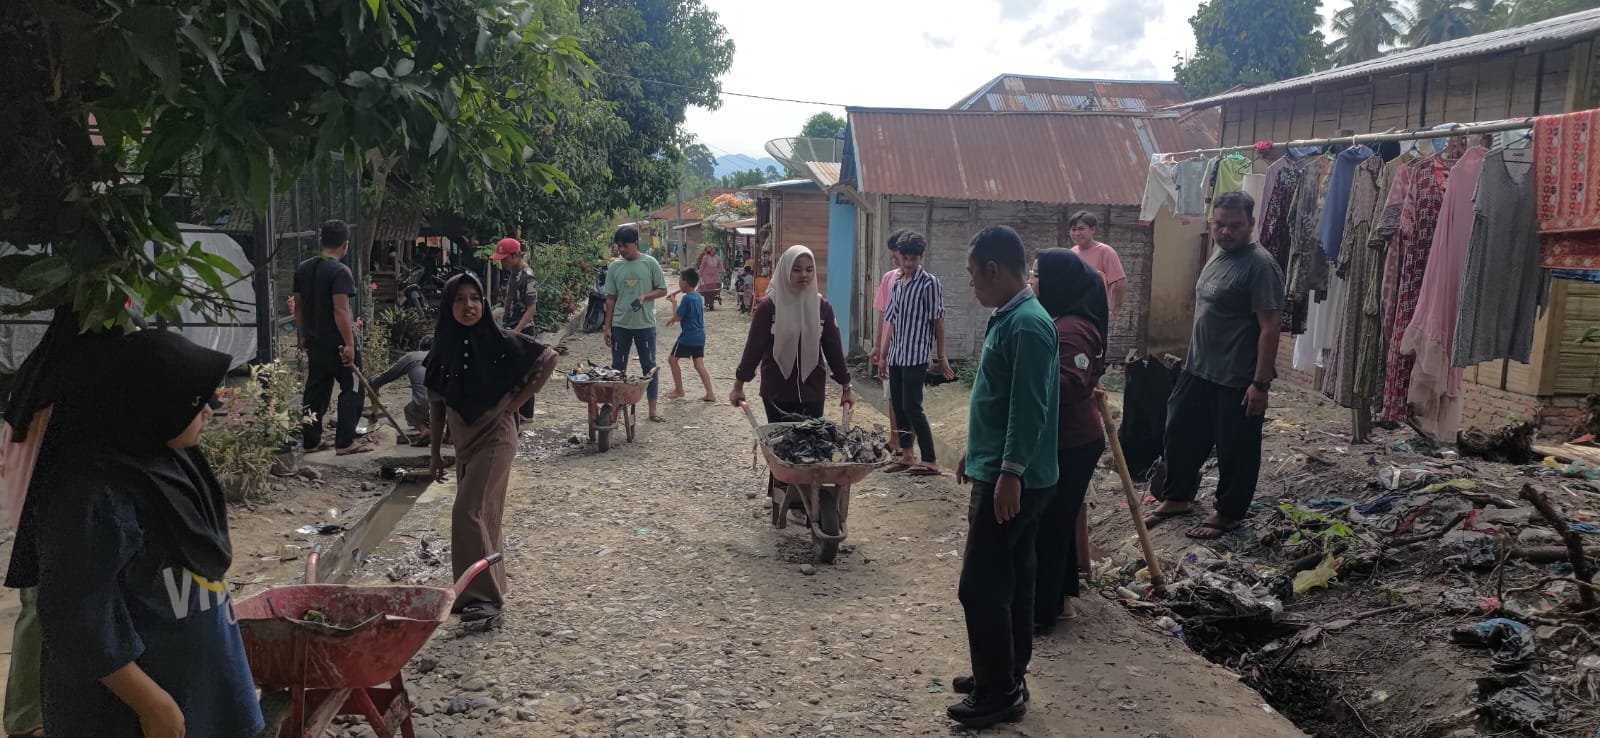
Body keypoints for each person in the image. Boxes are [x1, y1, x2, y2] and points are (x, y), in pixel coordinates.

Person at [16, 329, 264, 737]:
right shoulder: (93, 494)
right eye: (195, 401)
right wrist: (153, 704)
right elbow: (74, 616)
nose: (210, 411)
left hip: (201, 685)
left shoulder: (172, 460)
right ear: (152, 403)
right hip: (131, 710)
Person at [949, 226, 1060, 729]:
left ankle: (998, 691)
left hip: (1015, 478)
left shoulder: (1028, 326)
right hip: (1000, 469)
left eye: (974, 274)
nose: (971, 284)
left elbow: (1028, 408)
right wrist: (975, 453)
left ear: (994, 269)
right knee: (1011, 579)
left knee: (981, 586)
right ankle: (1006, 672)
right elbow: (995, 401)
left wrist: (1009, 473)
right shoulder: (1010, 317)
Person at [1143, 191, 1284, 540]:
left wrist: (1260, 384)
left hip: (1236, 376)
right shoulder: (1218, 255)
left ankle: (1229, 513)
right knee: (1179, 431)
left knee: (1235, 445)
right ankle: (1178, 497)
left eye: (1235, 226)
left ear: (1251, 224)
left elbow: (1270, 327)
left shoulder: (1261, 266)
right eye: (1219, 224)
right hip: (1199, 368)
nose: (1225, 232)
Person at [426, 273, 560, 625]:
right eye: (460, 299)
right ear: (448, 305)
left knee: (465, 512)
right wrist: (436, 451)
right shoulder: (443, 347)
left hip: (495, 437)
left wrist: (514, 403)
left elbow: (548, 359)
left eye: (475, 298)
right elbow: (437, 403)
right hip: (464, 439)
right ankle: (489, 588)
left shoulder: (500, 341)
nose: (469, 306)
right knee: (484, 515)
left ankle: (481, 597)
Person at [1029, 249, 1109, 632]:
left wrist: (1022, 384)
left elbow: (1069, 385)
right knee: (1053, 522)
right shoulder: (1061, 320)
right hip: (1065, 440)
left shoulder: (1072, 329)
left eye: (1037, 275)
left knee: (1051, 524)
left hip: (1073, 442)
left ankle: (1044, 611)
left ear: (1058, 282)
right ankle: (1056, 602)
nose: (1032, 281)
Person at [730, 245, 854, 423]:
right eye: (796, 270)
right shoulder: (769, 307)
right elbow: (753, 349)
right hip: (777, 391)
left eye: (809, 270)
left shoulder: (822, 307)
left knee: (811, 442)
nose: (804, 274)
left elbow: (833, 349)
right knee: (781, 444)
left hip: (812, 391)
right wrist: (739, 385)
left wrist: (846, 387)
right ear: (785, 271)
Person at [877, 231, 953, 475]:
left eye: (913, 259)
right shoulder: (898, 283)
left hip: (917, 355)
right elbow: (891, 320)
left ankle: (930, 459)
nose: (908, 263)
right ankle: (907, 455)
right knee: (898, 406)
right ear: (899, 256)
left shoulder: (930, 283)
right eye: (905, 258)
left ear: (921, 257)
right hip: (897, 354)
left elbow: (937, 321)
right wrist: (884, 354)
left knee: (912, 406)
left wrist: (941, 356)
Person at [294, 219, 371, 455]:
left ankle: (311, 440)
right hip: (338, 344)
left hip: (315, 342)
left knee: (316, 389)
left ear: (321, 241)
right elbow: (341, 310)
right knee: (353, 388)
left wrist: (302, 335)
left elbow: (298, 307)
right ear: (345, 245)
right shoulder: (340, 271)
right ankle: (345, 442)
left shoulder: (303, 268)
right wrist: (349, 344)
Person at [603, 226, 669, 423]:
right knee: (617, 368)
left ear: (636, 243)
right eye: (619, 246)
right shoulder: (615, 267)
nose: (622, 249)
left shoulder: (650, 263)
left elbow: (663, 290)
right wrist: (607, 326)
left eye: (626, 245)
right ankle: (616, 407)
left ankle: (652, 410)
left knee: (649, 367)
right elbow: (610, 299)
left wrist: (645, 297)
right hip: (620, 325)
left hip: (644, 325)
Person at [492, 237, 540, 421]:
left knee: (526, 373)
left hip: (522, 331)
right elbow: (509, 302)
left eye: (505, 258)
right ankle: (515, 410)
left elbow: (531, 308)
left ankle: (526, 413)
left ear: (515, 255)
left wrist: (517, 331)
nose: (503, 262)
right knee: (513, 372)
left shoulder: (528, 276)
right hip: (510, 327)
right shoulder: (513, 274)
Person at [870, 230, 907, 459]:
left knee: (910, 398)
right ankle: (895, 439)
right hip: (889, 347)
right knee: (892, 394)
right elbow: (883, 315)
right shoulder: (889, 278)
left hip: (911, 347)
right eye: (893, 253)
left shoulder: (924, 281)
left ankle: (907, 443)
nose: (895, 257)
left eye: (897, 253)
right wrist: (877, 346)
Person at [370, 336, 435, 446]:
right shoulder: (447, 357)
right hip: (453, 404)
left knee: (410, 410)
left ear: (420, 347)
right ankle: (449, 434)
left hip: (426, 403)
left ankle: (424, 430)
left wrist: (374, 384)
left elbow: (388, 375)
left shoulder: (412, 357)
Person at [1067, 211, 1128, 322]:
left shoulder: (1105, 252)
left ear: (1092, 230)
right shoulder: (1071, 253)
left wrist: (1115, 311)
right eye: (1073, 229)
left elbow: (1120, 281)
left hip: (1096, 315)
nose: (1076, 233)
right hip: (1074, 313)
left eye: (1081, 229)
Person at [665, 268, 715, 403]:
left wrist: (674, 303)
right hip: (700, 336)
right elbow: (689, 315)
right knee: (699, 365)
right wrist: (672, 319)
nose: (679, 283)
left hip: (688, 337)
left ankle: (679, 390)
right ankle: (710, 393)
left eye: (680, 280)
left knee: (672, 360)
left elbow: (678, 317)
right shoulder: (698, 296)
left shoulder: (687, 298)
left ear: (685, 283)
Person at [697, 246, 723, 311]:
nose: (713, 252)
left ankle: (711, 300)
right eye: (712, 251)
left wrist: (722, 270)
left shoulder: (717, 258)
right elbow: (702, 266)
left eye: (715, 251)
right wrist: (699, 273)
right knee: (707, 288)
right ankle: (706, 300)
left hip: (714, 275)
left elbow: (720, 265)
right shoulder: (705, 258)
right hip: (706, 275)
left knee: (713, 288)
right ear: (710, 251)